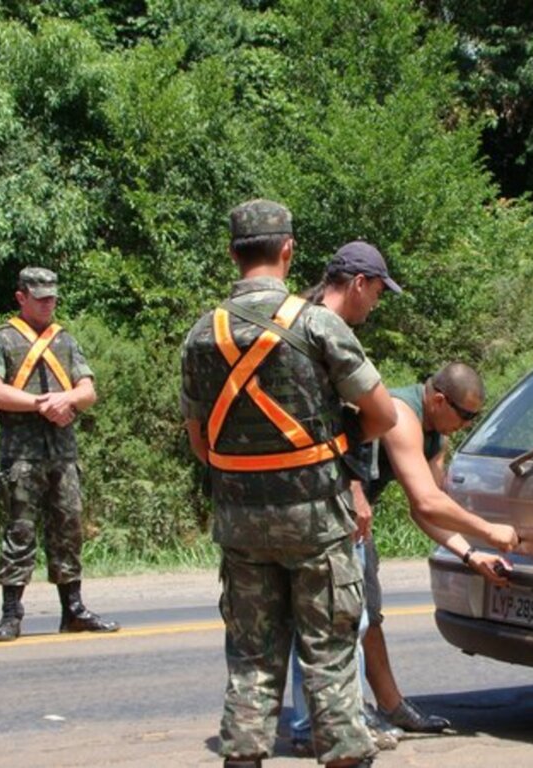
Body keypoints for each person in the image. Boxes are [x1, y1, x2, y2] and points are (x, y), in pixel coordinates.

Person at [180, 200, 397, 768]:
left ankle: (244, 757)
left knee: (251, 656)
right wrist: (334, 445)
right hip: (316, 522)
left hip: (241, 522)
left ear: (232, 253)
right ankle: (346, 754)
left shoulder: (202, 335)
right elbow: (382, 415)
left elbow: (202, 443)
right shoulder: (318, 323)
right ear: (288, 251)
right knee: (327, 652)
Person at [288, 241, 403, 757]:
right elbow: (357, 420)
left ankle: (315, 722)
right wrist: (357, 488)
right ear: (358, 283)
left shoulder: (295, 322)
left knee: (312, 617)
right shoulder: (325, 332)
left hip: (289, 495)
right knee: (340, 615)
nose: (376, 304)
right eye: (377, 292)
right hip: (327, 496)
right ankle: (334, 723)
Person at [362, 362, 517, 733]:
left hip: (357, 518)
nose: (467, 425)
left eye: (474, 417)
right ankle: (349, 713)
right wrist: (489, 531)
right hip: (331, 511)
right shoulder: (401, 415)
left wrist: (471, 554)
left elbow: (427, 511)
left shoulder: (438, 437)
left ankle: (391, 707)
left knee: (367, 615)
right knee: (350, 618)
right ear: (437, 399)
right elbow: (428, 502)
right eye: (465, 415)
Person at [0, 267, 119, 642]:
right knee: (19, 532)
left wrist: (68, 398)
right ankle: (11, 614)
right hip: (20, 455)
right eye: (40, 298)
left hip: (63, 454)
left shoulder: (65, 340)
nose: (48, 304)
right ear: (21, 298)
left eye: (53, 297)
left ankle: (73, 609)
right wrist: (41, 404)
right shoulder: (0, 340)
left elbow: (87, 390)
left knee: (68, 530)